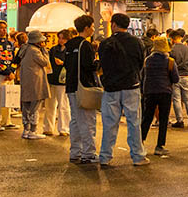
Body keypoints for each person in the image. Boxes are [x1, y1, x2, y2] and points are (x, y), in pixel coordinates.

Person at [96, 13, 149, 166]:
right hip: (131, 86)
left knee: (109, 123)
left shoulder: (105, 43)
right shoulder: (137, 42)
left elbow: (102, 65)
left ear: (113, 24)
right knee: (134, 122)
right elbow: (140, 63)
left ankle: (105, 156)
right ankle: (138, 156)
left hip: (111, 88)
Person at [65, 15, 99, 164]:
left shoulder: (70, 44)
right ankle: (88, 153)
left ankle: (75, 151)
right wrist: (98, 63)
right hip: (83, 86)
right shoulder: (85, 45)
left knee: (75, 120)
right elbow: (89, 66)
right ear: (86, 28)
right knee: (87, 121)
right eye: (92, 26)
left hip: (71, 85)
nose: (93, 29)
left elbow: (67, 64)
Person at [140, 35, 178, 156]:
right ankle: (159, 146)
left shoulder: (147, 60)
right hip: (165, 92)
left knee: (147, 118)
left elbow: (142, 76)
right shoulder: (170, 61)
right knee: (163, 119)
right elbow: (176, 79)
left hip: (150, 91)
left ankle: (140, 142)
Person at [17, 29, 51, 140]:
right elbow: (45, 62)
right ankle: (33, 130)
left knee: (26, 106)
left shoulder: (25, 48)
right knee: (35, 106)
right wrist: (45, 51)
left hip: (26, 81)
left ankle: (26, 130)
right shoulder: (35, 51)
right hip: (35, 82)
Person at [45, 29, 70, 137]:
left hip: (63, 81)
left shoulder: (70, 50)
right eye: (59, 38)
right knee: (49, 105)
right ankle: (48, 128)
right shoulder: (53, 49)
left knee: (63, 105)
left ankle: (64, 128)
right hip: (52, 79)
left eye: (63, 38)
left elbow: (72, 64)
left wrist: (63, 63)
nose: (61, 40)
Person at [170, 29, 188, 129]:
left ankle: (179, 120)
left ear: (172, 39)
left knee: (177, 99)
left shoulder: (172, 49)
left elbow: (172, 63)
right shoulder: (187, 48)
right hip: (186, 76)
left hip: (176, 76)